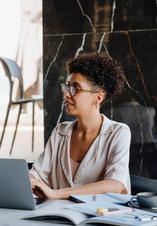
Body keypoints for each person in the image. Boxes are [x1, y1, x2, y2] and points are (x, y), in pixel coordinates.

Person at [30, 52, 131, 199]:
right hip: (60, 217)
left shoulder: (118, 132)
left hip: (101, 218)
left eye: (75, 88)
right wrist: (30, 181)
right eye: (67, 86)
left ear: (98, 98)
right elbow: (36, 174)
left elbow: (115, 184)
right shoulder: (60, 132)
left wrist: (57, 194)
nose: (66, 94)